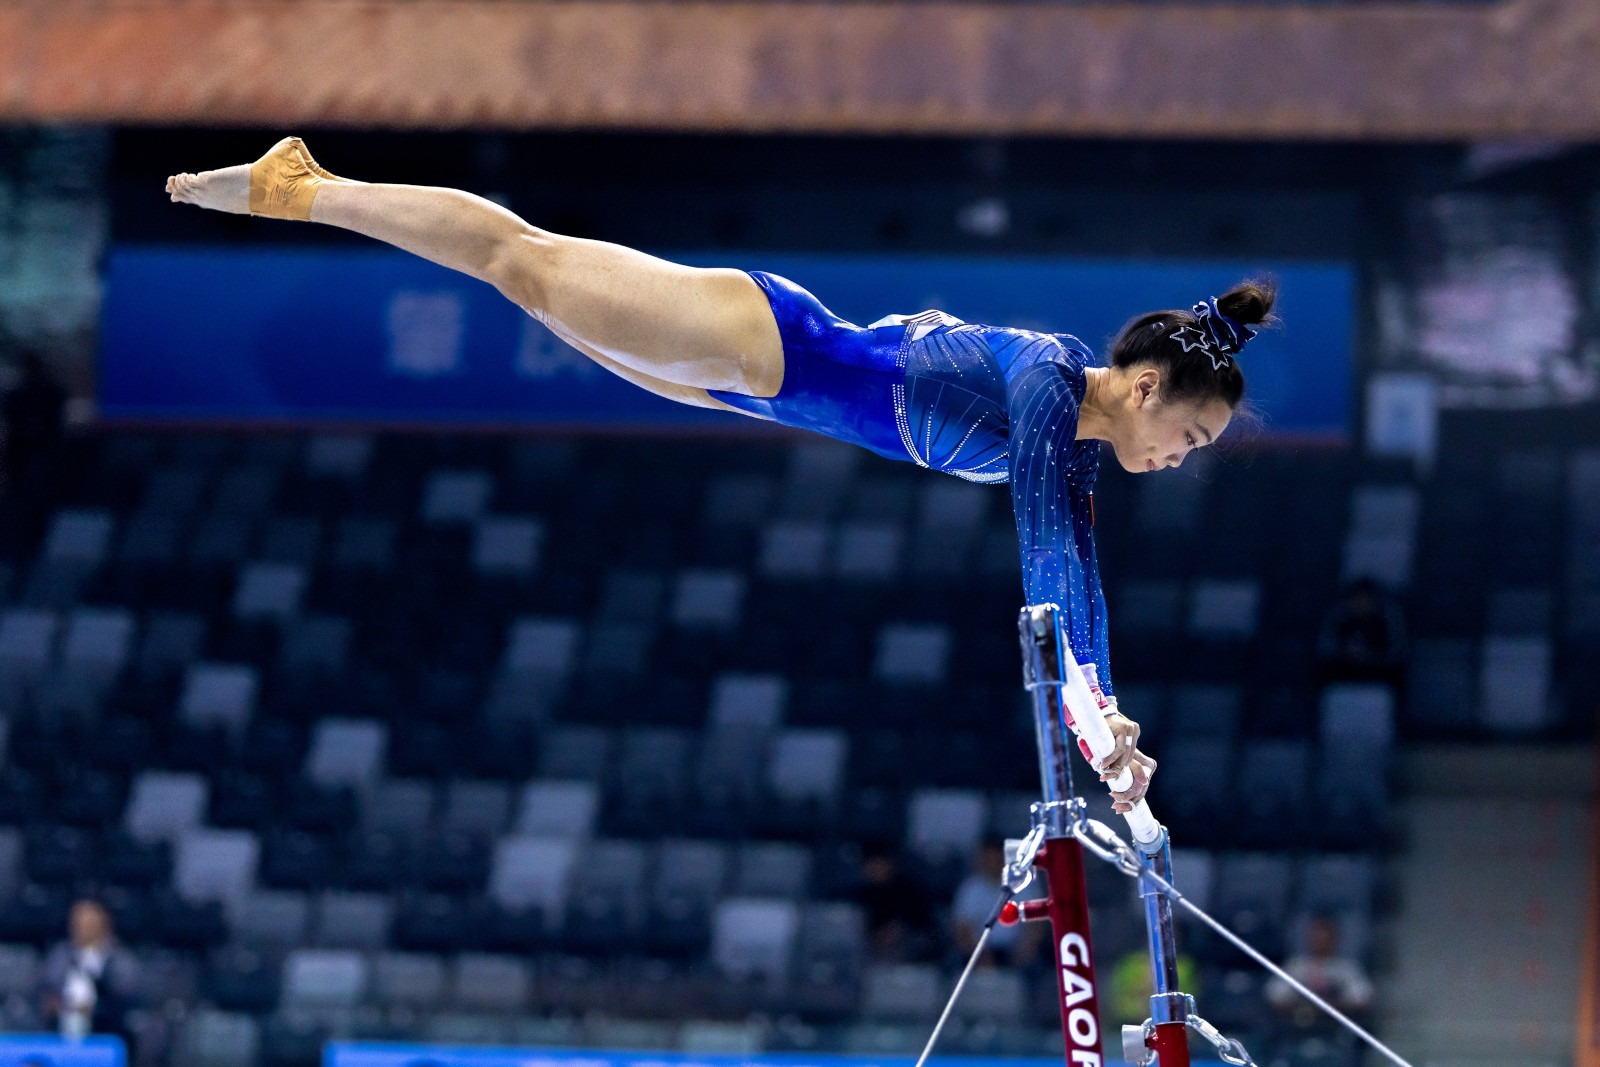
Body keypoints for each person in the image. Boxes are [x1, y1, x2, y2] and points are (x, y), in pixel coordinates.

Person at [167, 138, 1278, 806]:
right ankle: (303, 186)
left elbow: (1072, 576)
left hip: (743, 382)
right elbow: (1042, 554)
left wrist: (1104, 713)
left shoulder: (1069, 439)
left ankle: (306, 187)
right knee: (527, 263)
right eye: (1192, 435)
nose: (1183, 459)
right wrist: (1089, 719)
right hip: (769, 340)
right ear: (1142, 386)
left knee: (527, 283)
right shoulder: (1046, 383)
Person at [37, 898, 141, 1044]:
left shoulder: (119, 957)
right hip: (62, 1024)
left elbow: (126, 994)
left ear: (105, 924)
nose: (82, 927)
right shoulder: (60, 954)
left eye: (89, 923)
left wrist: (95, 1008)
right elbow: (47, 987)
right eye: (78, 922)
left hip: (106, 1028)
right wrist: (59, 1005)